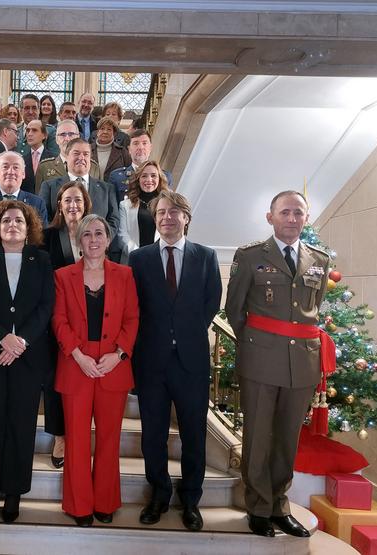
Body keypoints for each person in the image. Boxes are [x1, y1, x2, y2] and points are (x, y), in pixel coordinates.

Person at [225, 191, 331, 539]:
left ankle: (279, 507)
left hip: (302, 361)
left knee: (287, 437)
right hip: (260, 358)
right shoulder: (251, 255)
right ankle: (257, 507)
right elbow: (235, 310)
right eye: (284, 212)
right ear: (270, 217)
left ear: (306, 217)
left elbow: (314, 307)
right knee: (257, 436)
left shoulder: (318, 259)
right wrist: (257, 346)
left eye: (297, 213)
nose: (291, 218)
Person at [129, 190, 221, 531]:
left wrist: (185, 332)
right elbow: (133, 307)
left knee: (193, 434)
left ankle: (190, 499)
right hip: (151, 361)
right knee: (153, 433)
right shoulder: (139, 259)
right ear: (156, 220)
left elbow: (212, 300)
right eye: (161, 212)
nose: (167, 217)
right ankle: (159, 494)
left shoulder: (207, 257)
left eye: (174, 212)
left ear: (186, 218)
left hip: (191, 360)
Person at [0, 199, 55, 524]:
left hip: (28, 358)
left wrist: (21, 341)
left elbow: (46, 306)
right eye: (6, 222)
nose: (12, 225)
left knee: (21, 424)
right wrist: (2, 337)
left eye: (18, 220)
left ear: (28, 226)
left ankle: (14, 492)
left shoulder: (41, 260)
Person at [52, 214, 139, 527]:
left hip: (112, 367)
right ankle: (79, 506)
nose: (93, 239)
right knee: (75, 440)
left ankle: (105, 502)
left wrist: (118, 355)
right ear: (79, 240)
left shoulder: (125, 275)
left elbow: (131, 319)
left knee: (108, 439)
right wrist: (78, 355)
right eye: (86, 234)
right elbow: (58, 321)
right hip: (76, 366)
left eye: (99, 233)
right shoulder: (62, 276)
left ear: (108, 238)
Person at [40, 181, 92, 470]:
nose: (73, 206)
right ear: (59, 205)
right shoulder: (46, 237)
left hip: (88, 322)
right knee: (54, 380)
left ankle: (79, 432)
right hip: (54, 320)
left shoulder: (95, 235)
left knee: (81, 380)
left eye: (78, 200)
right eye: (67, 200)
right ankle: (60, 436)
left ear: (86, 204)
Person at [0, 151, 48, 252]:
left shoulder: (37, 203)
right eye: (5, 167)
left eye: (16, 167)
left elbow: (42, 239)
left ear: (23, 174)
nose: (10, 172)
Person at [39, 138, 119, 238]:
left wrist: (102, 241)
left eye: (86, 154)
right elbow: (43, 219)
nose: (81, 158)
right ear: (67, 157)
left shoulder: (107, 189)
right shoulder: (49, 186)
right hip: (61, 250)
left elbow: (114, 221)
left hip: (98, 248)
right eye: (76, 153)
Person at [117, 160, 170, 262]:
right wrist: (140, 254)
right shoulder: (125, 205)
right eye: (144, 176)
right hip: (132, 259)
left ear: (159, 179)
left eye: (153, 175)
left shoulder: (168, 204)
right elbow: (122, 236)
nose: (149, 180)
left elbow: (171, 233)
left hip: (160, 260)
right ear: (138, 179)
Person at [35, 119, 100, 193]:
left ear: (78, 136)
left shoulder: (93, 167)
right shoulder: (45, 167)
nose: (67, 139)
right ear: (56, 139)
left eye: (71, 134)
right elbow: (40, 200)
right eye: (62, 134)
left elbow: (98, 195)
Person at [109, 129, 173, 202]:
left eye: (144, 143)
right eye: (136, 143)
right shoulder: (116, 177)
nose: (140, 147)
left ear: (150, 148)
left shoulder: (165, 176)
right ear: (129, 149)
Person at [91, 117, 131, 182]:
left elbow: (129, 172)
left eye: (109, 129)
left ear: (114, 133)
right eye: (102, 129)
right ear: (97, 132)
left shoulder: (122, 152)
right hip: (91, 190)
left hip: (114, 190)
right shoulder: (88, 150)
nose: (105, 132)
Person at [22, 119, 56, 194]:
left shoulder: (54, 159)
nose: (30, 134)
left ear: (44, 135)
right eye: (28, 130)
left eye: (34, 130)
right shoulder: (21, 160)